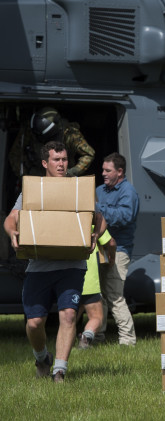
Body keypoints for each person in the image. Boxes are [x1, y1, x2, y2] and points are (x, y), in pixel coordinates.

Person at [3, 141, 104, 382]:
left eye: (65, 159)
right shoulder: (33, 190)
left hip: (72, 265)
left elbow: (100, 218)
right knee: (35, 322)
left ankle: (59, 371)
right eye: (56, 160)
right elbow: (11, 219)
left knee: (69, 315)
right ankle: (42, 358)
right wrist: (12, 233)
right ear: (45, 163)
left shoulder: (77, 189)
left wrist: (95, 235)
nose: (62, 164)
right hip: (40, 266)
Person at [96, 152, 139, 346]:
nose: (103, 173)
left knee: (114, 294)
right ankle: (97, 336)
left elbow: (124, 217)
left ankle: (128, 340)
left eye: (108, 170)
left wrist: (98, 211)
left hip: (119, 249)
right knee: (99, 294)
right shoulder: (99, 190)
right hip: (99, 248)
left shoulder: (128, 192)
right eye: (103, 169)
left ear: (119, 172)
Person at [9, 106, 95, 177]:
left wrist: (73, 172)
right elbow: (15, 154)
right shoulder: (30, 130)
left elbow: (89, 153)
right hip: (37, 175)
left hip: (63, 176)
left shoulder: (69, 133)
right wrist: (25, 176)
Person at [77, 228, 116, 349]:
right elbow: (111, 242)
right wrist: (112, 257)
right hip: (88, 279)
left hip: (66, 279)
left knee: (69, 318)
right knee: (97, 317)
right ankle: (86, 338)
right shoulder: (91, 221)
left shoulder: (61, 219)